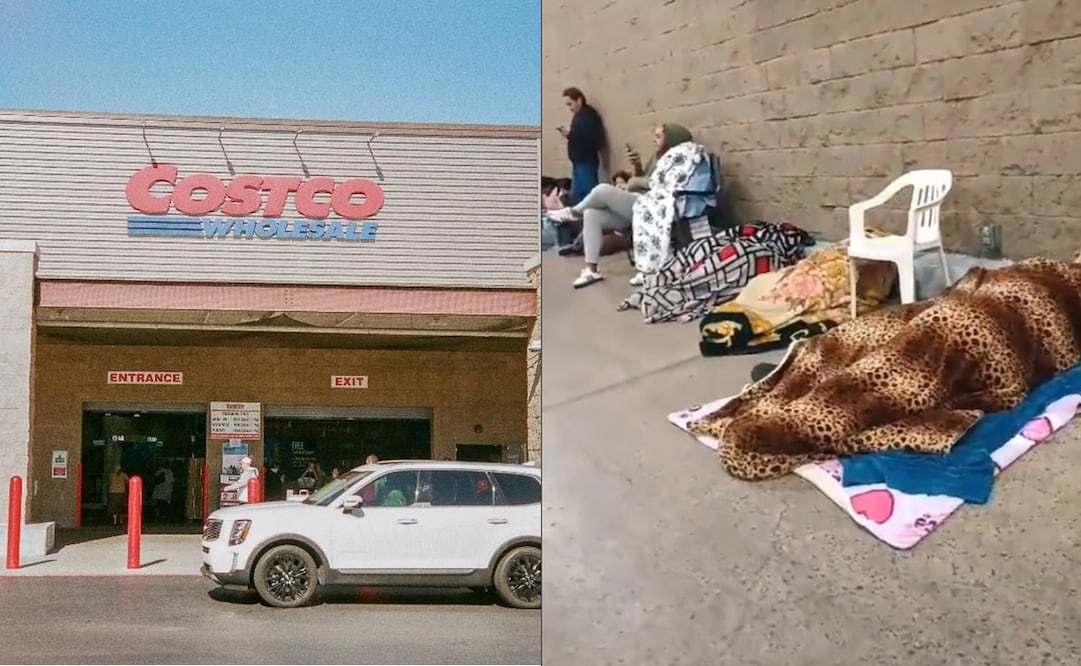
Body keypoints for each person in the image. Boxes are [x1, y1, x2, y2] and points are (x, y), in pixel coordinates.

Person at [547, 124, 694, 289]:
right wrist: (637, 167)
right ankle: (591, 269)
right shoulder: (658, 157)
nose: (654, 139)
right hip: (639, 202)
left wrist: (633, 182)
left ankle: (573, 212)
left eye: (659, 136)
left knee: (602, 190)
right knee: (592, 213)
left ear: (672, 139)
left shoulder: (679, 159)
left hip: (653, 207)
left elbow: (660, 184)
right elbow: (644, 179)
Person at [556, 87, 607, 205]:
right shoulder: (579, 116)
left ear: (579, 100)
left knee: (589, 196)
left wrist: (571, 135)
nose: (570, 108)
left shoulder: (588, 116)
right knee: (578, 196)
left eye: (570, 104)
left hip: (586, 161)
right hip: (579, 162)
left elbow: (590, 139)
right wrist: (570, 136)